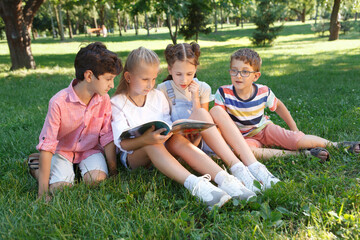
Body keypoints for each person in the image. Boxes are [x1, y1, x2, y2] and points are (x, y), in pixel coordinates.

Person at [111, 47, 257, 210]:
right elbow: (122, 144)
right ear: (128, 77)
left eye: (153, 79)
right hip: (135, 156)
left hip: (163, 148)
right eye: (145, 79)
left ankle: (226, 180)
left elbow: (166, 123)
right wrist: (146, 139)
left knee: (177, 140)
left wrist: (175, 132)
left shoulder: (157, 96)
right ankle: (199, 187)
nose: (150, 85)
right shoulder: (117, 103)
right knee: (152, 144)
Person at [157, 42, 280, 192]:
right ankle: (238, 167)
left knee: (215, 111)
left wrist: (195, 96)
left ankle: (249, 167)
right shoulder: (163, 89)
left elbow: (203, 124)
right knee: (204, 115)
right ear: (170, 69)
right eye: (178, 74)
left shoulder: (202, 88)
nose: (184, 80)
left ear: (195, 69)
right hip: (180, 142)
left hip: (201, 138)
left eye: (189, 74)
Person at [214, 48, 360, 161]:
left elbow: (279, 107)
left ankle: (338, 145)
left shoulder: (263, 92)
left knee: (296, 140)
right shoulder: (223, 93)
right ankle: (303, 155)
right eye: (234, 71)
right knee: (246, 152)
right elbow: (219, 121)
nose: (238, 76)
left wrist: (294, 128)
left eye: (245, 72)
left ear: (256, 76)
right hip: (243, 138)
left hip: (264, 129)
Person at [27, 42, 122, 200]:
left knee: (96, 181)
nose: (112, 85)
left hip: (90, 150)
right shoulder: (58, 102)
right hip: (63, 151)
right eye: (108, 79)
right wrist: (42, 192)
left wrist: (113, 172)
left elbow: (106, 135)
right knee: (61, 189)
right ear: (89, 76)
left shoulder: (103, 99)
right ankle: (38, 169)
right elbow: (48, 145)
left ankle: (72, 170)